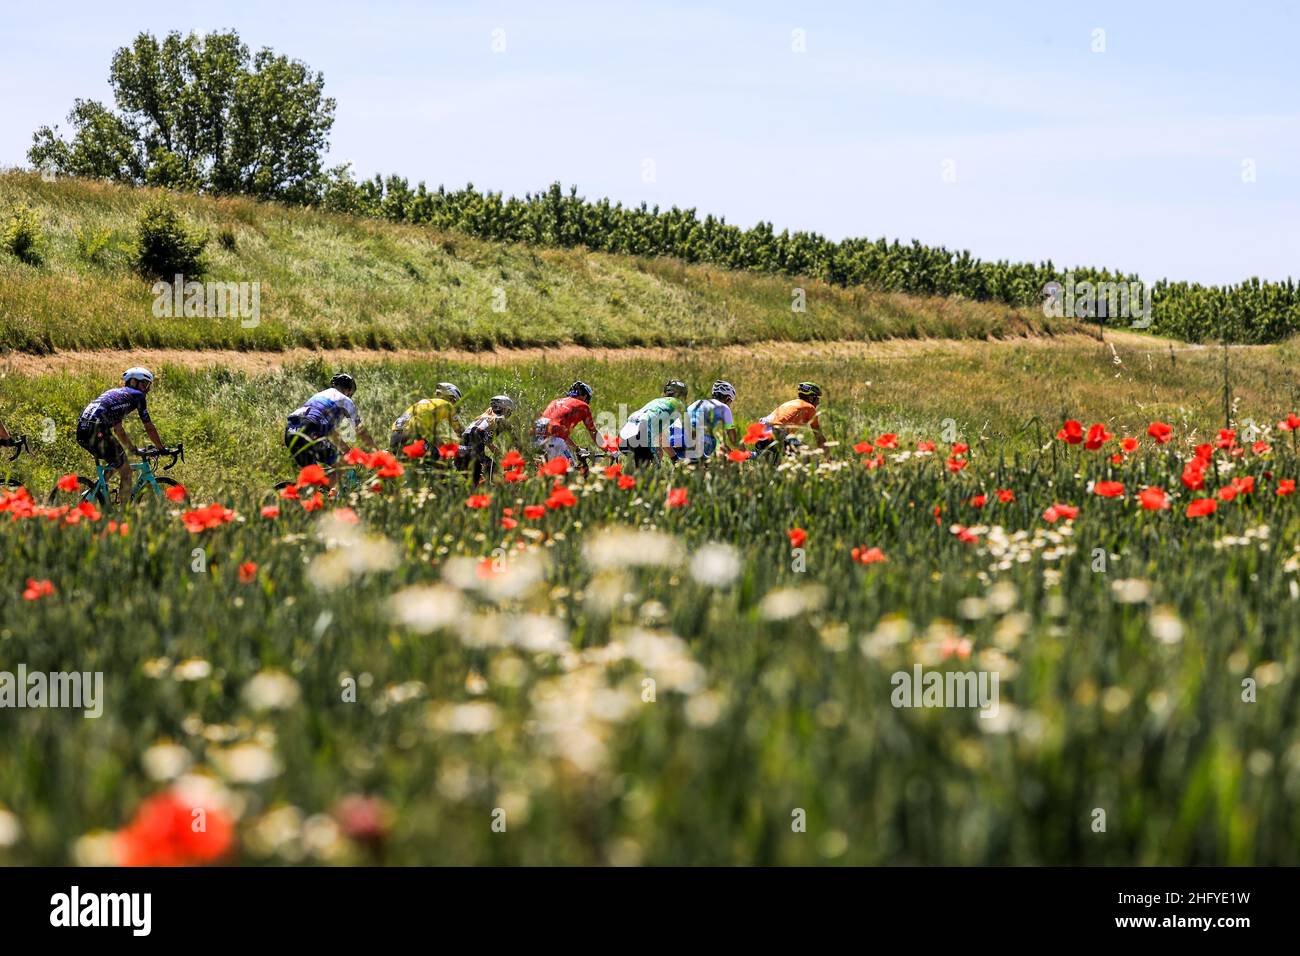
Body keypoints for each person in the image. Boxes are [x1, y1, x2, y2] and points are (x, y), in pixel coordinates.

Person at [76, 367, 169, 503]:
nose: (147, 389)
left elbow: (118, 430)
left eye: (149, 385)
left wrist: (132, 449)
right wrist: (161, 448)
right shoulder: (138, 396)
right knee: (126, 471)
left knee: (117, 461)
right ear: (133, 382)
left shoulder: (116, 395)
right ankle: (124, 515)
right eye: (145, 384)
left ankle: (93, 495)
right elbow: (148, 426)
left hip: (82, 431)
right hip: (96, 430)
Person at [284, 373, 377, 484]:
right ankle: (341, 497)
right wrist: (377, 453)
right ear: (348, 390)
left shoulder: (320, 395)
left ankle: (303, 494)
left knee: (314, 480)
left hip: (291, 432)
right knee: (345, 465)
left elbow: (333, 435)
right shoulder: (346, 400)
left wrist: (349, 452)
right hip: (311, 431)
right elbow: (361, 431)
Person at [619, 380, 688, 467]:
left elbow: (660, 435)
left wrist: (673, 457)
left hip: (623, 435)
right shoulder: (677, 405)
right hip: (640, 433)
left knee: (644, 468)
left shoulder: (656, 401)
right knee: (647, 475)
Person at [668, 380, 741, 463]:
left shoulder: (697, 402)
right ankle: (703, 463)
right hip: (691, 440)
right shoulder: (724, 407)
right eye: (730, 401)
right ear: (727, 398)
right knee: (714, 442)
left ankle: (689, 463)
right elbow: (734, 439)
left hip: (674, 438)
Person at [533, 381, 600, 464]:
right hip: (553, 441)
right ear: (585, 397)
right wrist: (610, 451)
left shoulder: (555, 402)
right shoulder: (583, 405)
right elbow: (593, 432)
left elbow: (558, 433)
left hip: (534, 437)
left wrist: (577, 449)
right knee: (572, 471)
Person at [754, 382, 826, 457]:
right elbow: (818, 436)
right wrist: (828, 457)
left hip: (761, 436)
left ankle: (746, 456)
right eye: (817, 398)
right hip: (776, 434)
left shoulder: (789, 404)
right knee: (809, 455)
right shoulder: (810, 407)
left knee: (773, 465)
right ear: (811, 398)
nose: (818, 402)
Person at [456, 394, 515, 485]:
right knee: (500, 481)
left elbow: (487, 442)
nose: (509, 415)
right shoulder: (498, 419)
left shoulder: (482, 419)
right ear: (504, 409)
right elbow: (475, 433)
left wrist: (501, 457)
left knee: (476, 485)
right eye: (509, 411)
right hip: (472, 456)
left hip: (458, 455)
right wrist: (480, 456)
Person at [390, 382, 463, 454]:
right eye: (455, 402)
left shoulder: (427, 403)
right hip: (410, 438)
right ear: (452, 398)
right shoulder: (448, 405)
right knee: (440, 458)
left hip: (394, 437)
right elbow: (460, 431)